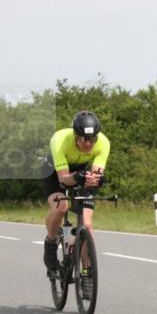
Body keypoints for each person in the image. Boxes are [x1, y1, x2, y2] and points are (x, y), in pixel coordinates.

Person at [42, 111, 110, 275]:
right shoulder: (59, 140)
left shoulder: (103, 143)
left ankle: (86, 271)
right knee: (61, 208)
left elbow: (96, 173)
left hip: (81, 171)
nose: (88, 144)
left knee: (87, 224)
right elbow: (64, 179)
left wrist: (97, 179)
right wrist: (77, 177)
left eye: (92, 139)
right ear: (75, 135)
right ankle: (51, 242)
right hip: (55, 172)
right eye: (83, 139)